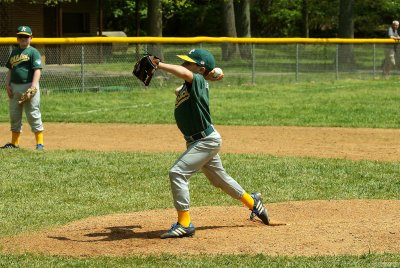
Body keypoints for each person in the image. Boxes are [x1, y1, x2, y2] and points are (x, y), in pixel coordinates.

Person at [155, 48, 270, 239]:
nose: (184, 64)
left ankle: (185, 224)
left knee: (177, 172)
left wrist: (159, 65)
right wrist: (210, 74)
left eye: (189, 62)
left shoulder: (197, 80)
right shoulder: (194, 83)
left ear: (199, 69)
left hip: (205, 140)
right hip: (198, 141)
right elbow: (181, 86)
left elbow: (186, 74)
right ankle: (253, 201)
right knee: (220, 180)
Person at [2, 26, 44, 150]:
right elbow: (10, 69)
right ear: (17, 38)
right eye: (20, 36)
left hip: (29, 86)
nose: (23, 39)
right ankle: (14, 143)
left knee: (33, 113)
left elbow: (37, 70)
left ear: (31, 38)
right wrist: (7, 85)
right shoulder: (14, 51)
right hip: (14, 86)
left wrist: (33, 86)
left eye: (26, 36)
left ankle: (40, 144)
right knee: (14, 115)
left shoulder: (33, 52)